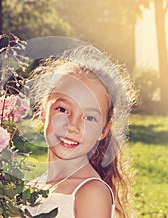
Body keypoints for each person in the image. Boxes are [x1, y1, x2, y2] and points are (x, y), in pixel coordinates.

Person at [25, 44, 136, 218]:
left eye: (89, 118)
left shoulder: (91, 193)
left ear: (104, 130)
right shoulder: (33, 187)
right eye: (62, 110)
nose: (72, 126)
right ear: (43, 111)